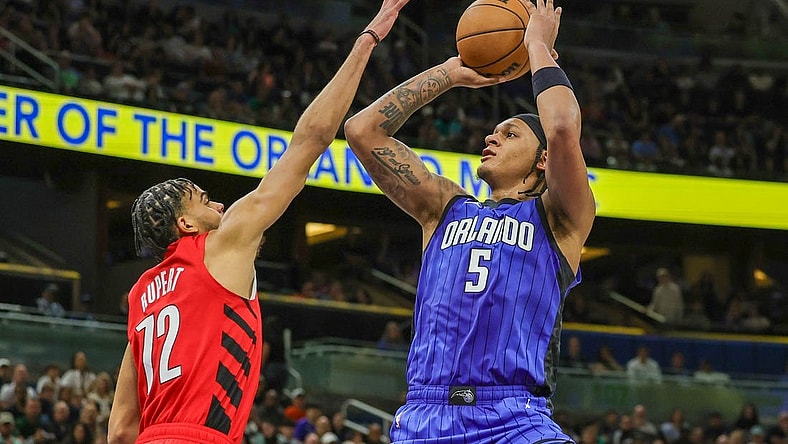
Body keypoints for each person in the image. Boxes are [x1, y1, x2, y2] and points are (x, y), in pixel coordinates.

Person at [107, 2, 411, 443]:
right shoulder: (218, 246)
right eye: (205, 201)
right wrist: (369, 38)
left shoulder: (140, 297)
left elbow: (120, 430)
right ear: (186, 225)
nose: (220, 205)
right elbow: (310, 140)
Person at [343, 0, 596, 440]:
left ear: (542, 161)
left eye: (509, 134)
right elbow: (362, 132)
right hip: (426, 414)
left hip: (515, 417)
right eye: (493, 132)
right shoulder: (444, 207)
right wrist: (449, 74)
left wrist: (536, 45)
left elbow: (560, 128)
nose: (491, 138)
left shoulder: (559, 218)